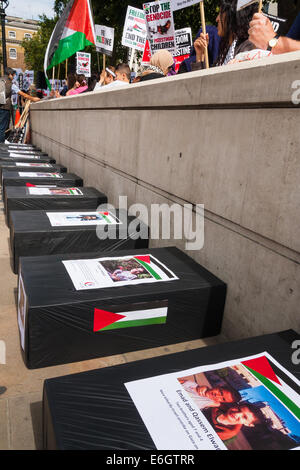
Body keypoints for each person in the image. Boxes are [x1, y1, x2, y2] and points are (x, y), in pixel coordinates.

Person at [192, 0, 257, 71]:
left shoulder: (248, 48)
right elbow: (207, 81)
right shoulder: (225, 50)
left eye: (220, 14)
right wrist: (200, 56)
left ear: (232, 17)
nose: (217, 19)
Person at [0, 68, 40, 142]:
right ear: (9, 74)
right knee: (2, 128)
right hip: (4, 108)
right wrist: (33, 99)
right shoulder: (10, 84)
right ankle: (1, 147)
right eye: (13, 75)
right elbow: (22, 94)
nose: (13, 77)